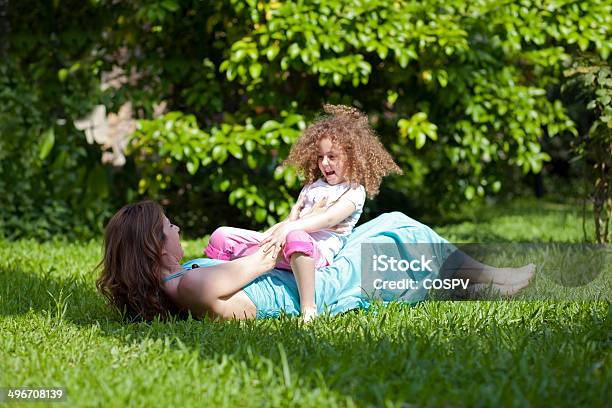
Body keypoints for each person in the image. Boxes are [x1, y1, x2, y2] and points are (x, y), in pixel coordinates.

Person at [96, 201, 535, 322]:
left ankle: (483, 281)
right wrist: (268, 254)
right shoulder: (183, 286)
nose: (177, 232)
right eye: (170, 228)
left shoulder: (180, 277)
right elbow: (210, 291)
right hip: (317, 289)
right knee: (403, 232)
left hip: (307, 274)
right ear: (155, 245)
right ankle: (495, 281)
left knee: (399, 238)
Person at [204, 104, 402, 322]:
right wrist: (272, 234)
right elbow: (289, 223)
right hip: (286, 243)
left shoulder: (354, 191)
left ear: (352, 156)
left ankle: (308, 308)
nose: (324, 163)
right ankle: (210, 279)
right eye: (320, 157)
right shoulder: (312, 187)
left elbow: (327, 219)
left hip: (314, 252)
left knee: (295, 236)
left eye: (332, 156)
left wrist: (291, 226)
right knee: (222, 235)